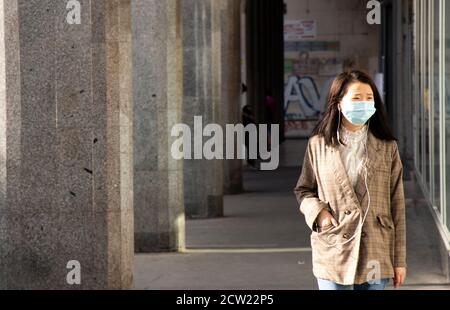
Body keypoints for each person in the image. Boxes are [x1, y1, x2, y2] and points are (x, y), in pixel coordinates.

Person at [293, 70, 407, 290]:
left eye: (369, 98)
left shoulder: (387, 147)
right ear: (338, 103)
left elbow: (397, 204)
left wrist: (399, 260)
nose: (364, 103)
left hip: (376, 249)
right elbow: (304, 190)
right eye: (356, 98)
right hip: (334, 247)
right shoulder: (319, 145)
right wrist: (319, 214)